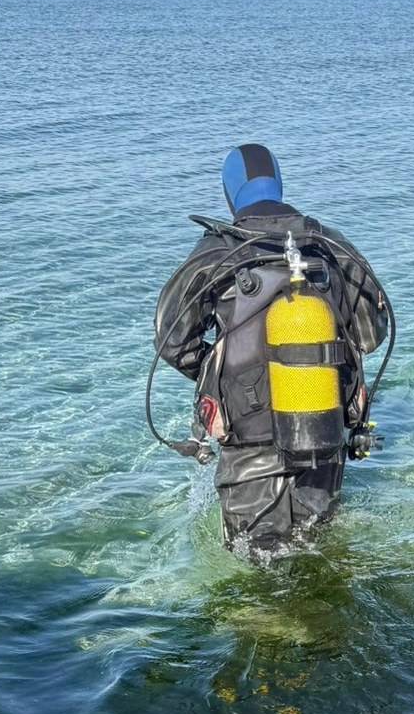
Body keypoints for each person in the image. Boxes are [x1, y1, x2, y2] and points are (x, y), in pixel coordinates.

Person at [152, 144, 392, 552]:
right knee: (319, 549)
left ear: (232, 193)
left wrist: (220, 372)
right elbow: (371, 334)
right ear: (277, 184)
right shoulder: (328, 244)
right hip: (321, 428)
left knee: (256, 568)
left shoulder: (215, 252)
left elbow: (172, 341)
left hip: (249, 443)